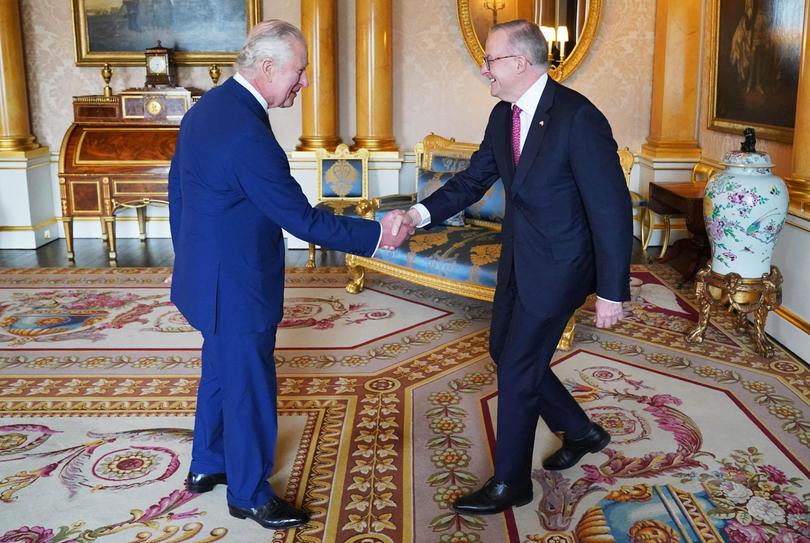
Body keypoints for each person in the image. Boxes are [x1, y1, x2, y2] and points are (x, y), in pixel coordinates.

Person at [168, 20, 410, 530]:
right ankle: (250, 494)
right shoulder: (246, 134)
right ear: (268, 67)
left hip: (205, 272)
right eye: (299, 72)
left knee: (218, 372)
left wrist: (191, 254)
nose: (303, 83)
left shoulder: (208, 107)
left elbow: (179, 194)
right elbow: (302, 219)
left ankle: (207, 464)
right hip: (236, 283)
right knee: (251, 385)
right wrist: (377, 236)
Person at [385, 19, 632, 515]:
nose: (485, 69)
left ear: (519, 62)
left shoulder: (578, 117)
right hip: (519, 256)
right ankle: (582, 431)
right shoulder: (505, 116)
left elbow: (611, 208)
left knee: (519, 367)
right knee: (503, 347)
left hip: (563, 264)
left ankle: (511, 482)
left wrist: (612, 290)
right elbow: (473, 179)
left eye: (491, 59)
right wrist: (416, 214)